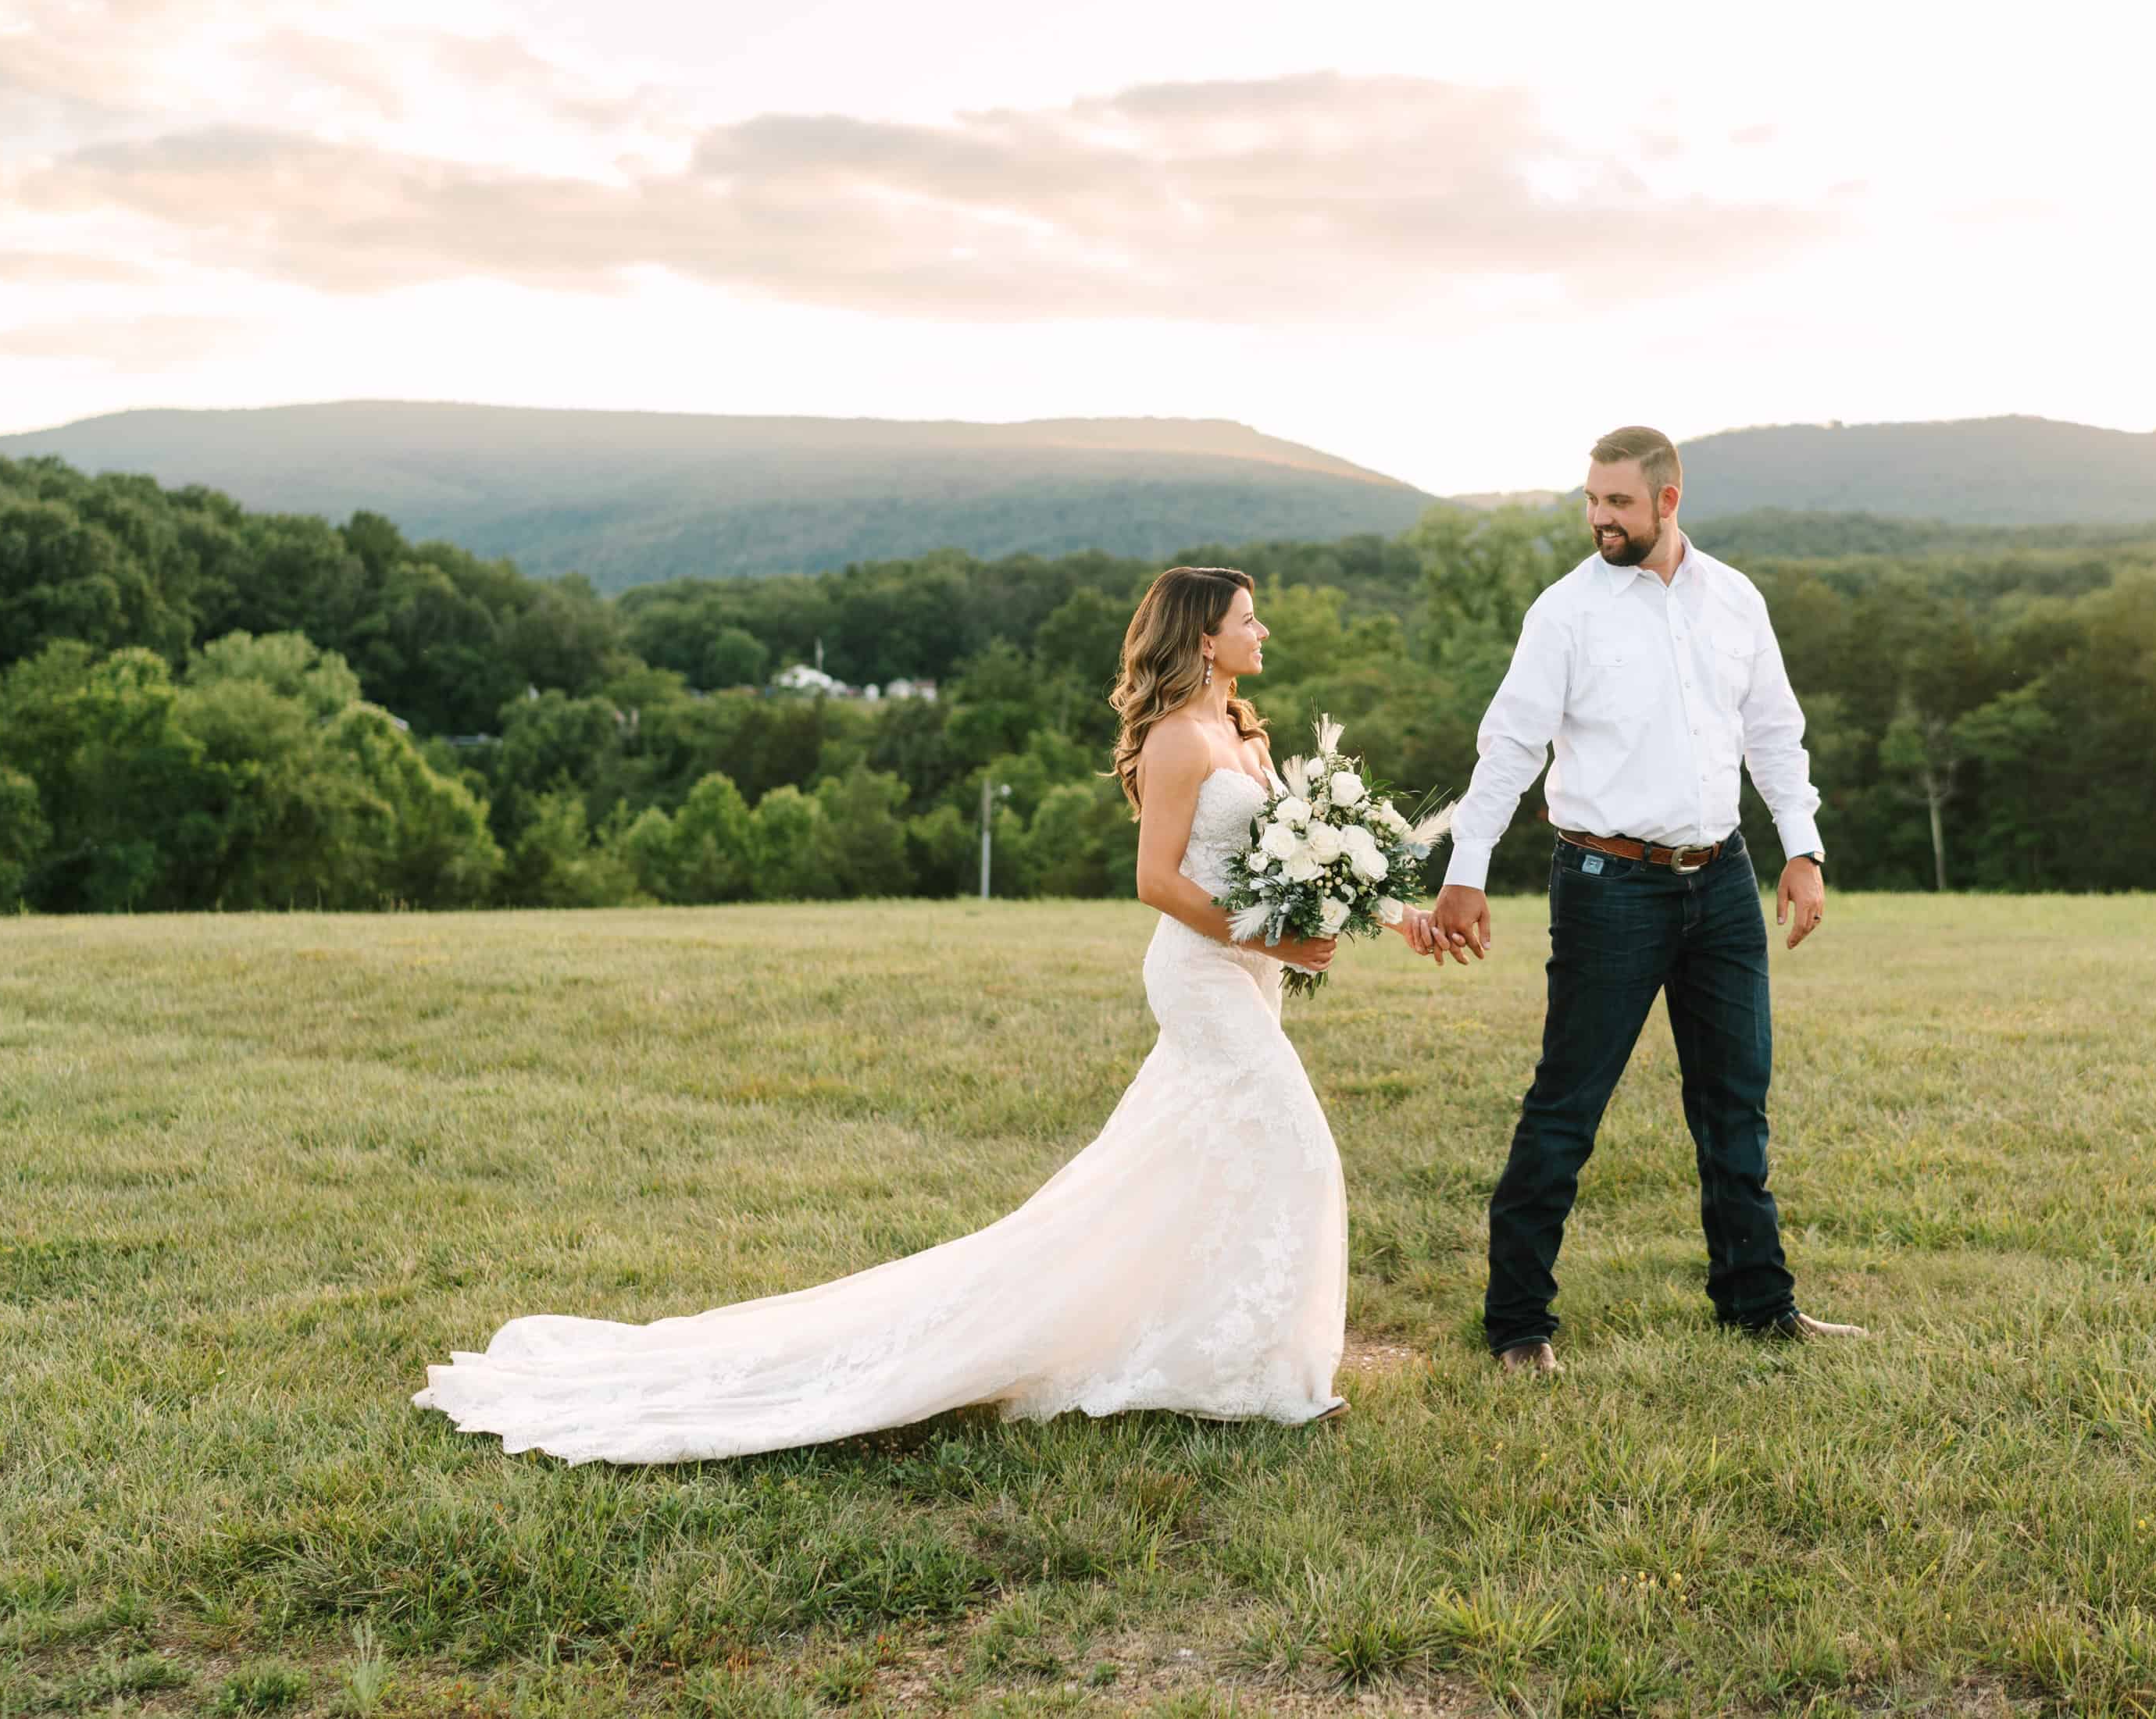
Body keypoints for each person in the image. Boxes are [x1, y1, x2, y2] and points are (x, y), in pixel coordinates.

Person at [412, 569, 1367, 1462]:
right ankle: (1257, 1366)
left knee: (1201, 1158)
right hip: (1203, 975)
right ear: (1204, 637)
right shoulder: (1176, 742)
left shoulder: (1248, 734)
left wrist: (1325, 904)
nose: (1263, 629)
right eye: (1248, 618)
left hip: (1250, 971)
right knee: (1295, 1143)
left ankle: (1212, 1348)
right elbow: (1154, 880)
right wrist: (1270, 937)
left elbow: (1275, 855)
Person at [1428, 426, 1863, 1373]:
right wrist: (1465, 869)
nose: (1598, 519)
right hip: (1605, 886)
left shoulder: (1736, 600)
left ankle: (1758, 1305)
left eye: (1617, 502)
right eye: (1591, 500)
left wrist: (1803, 850)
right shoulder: (1565, 613)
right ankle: (1517, 1326)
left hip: (1723, 880)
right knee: (1566, 1106)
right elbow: (1508, 746)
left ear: (1668, 500)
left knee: (1734, 1104)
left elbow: (1774, 734)